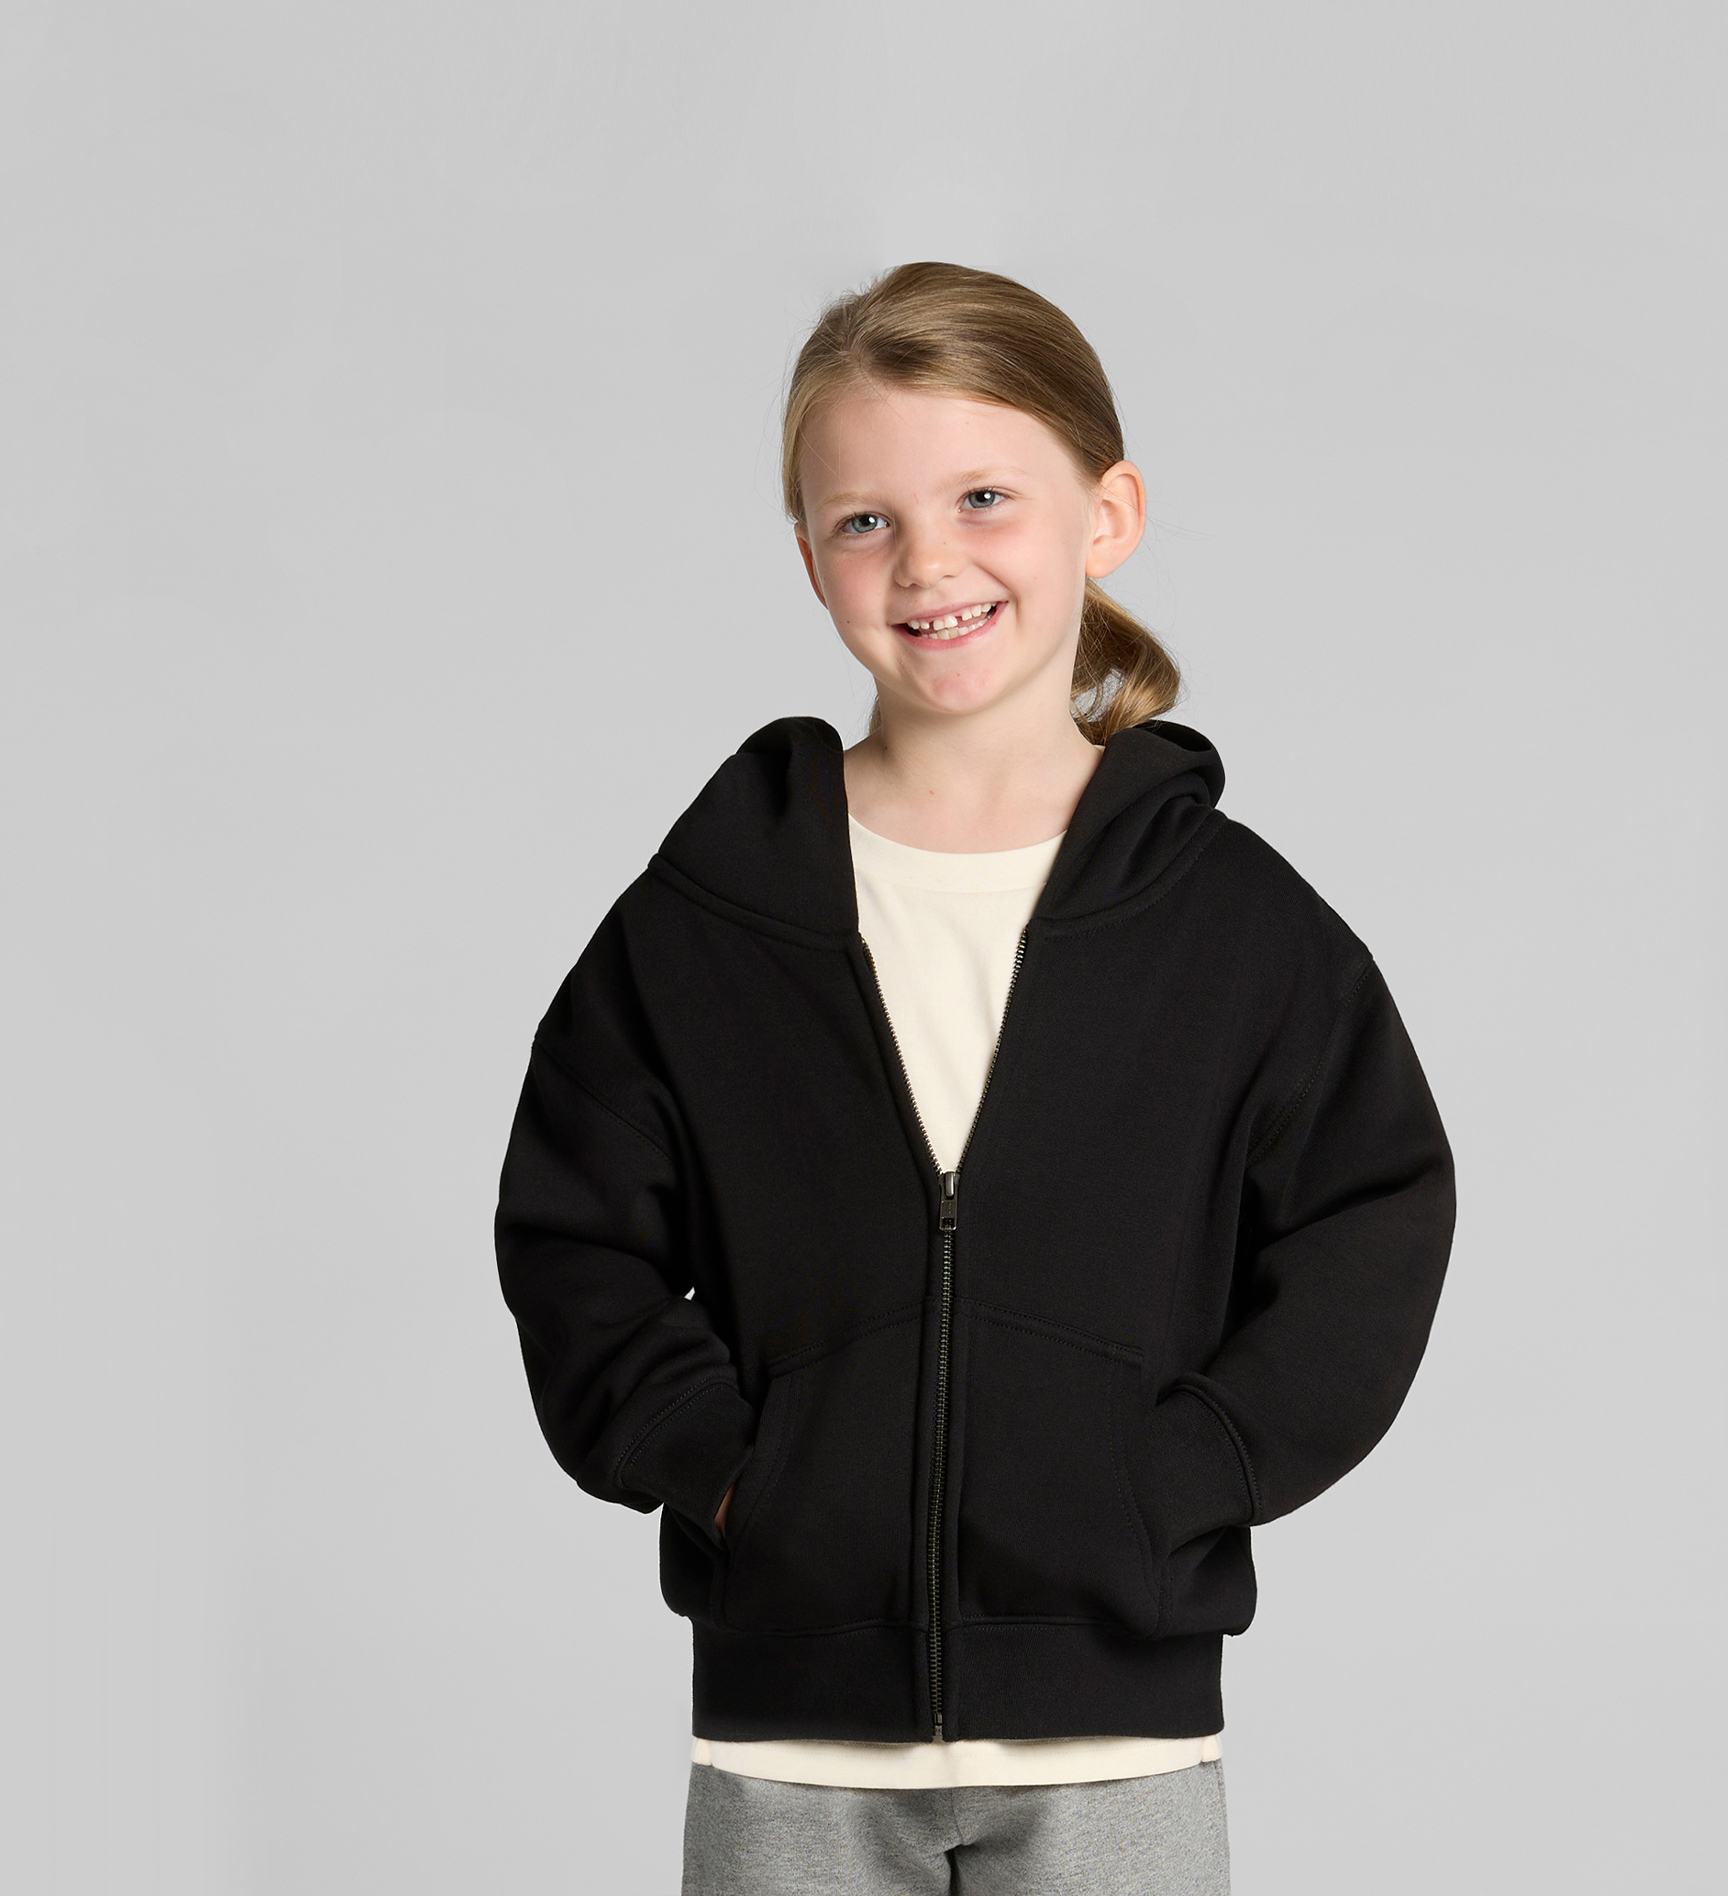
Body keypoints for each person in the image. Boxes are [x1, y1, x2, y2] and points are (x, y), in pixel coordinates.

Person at [494, 261, 1456, 1894]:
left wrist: (1170, 1483)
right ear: (811, 557)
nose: (929, 562)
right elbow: (573, 1237)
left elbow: (1373, 1219)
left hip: (1117, 1740)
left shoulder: (1233, 926)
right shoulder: (708, 917)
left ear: (1107, 514)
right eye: (865, 520)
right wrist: (732, 1476)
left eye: (985, 498)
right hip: (791, 1742)